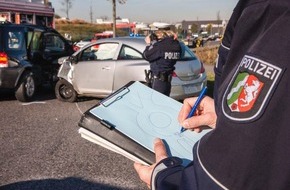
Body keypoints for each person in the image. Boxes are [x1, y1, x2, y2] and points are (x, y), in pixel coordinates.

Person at [134, 0, 290, 189]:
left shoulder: (271, 12)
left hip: (160, 78)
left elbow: (226, 179)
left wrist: (164, 178)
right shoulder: (176, 45)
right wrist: (224, 114)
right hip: (170, 78)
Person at [143, 30, 181, 96]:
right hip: (168, 81)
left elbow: (146, 56)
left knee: (156, 103)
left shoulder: (160, 46)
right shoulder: (177, 46)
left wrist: (149, 44)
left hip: (158, 81)